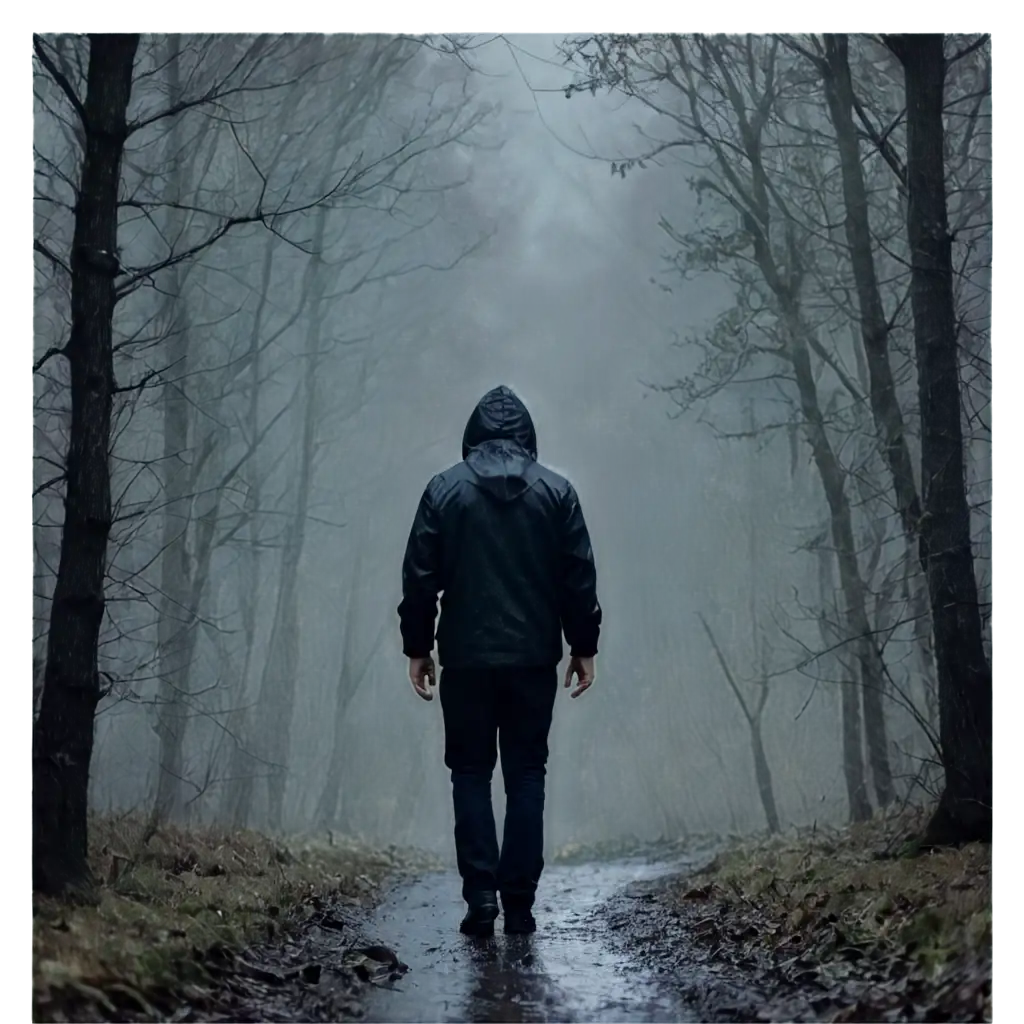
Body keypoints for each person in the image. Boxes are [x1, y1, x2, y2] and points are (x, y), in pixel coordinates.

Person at [398, 385, 602, 937]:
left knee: (469, 772)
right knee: (526, 773)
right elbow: (577, 577)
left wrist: (418, 646)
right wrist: (584, 645)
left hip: (465, 658)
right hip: (533, 657)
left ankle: (481, 896)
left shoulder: (444, 491)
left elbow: (420, 578)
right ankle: (519, 902)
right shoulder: (557, 493)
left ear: (473, 434)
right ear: (527, 436)